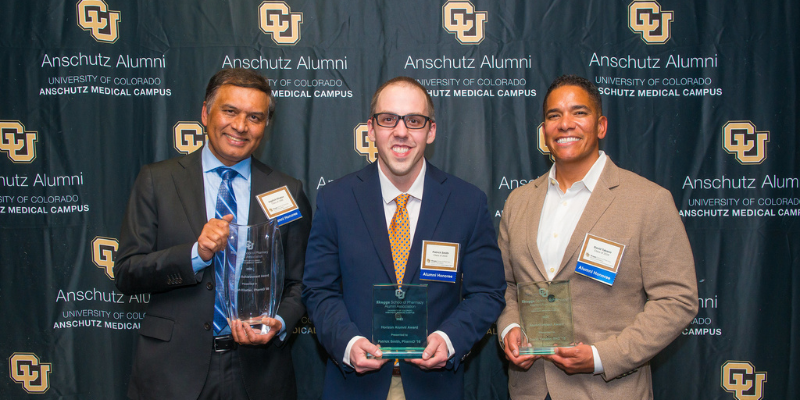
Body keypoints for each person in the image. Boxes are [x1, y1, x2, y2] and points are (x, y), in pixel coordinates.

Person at [302, 76, 506, 400]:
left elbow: (488, 292)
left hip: (434, 387)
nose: (401, 132)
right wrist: (349, 344)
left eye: (414, 120)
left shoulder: (467, 202)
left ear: (431, 130)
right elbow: (318, 289)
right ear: (371, 129)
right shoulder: (335, 200)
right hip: (354, 386)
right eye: (388, 119)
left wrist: (449, 339)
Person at [496, 75, 698, 400]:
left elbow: (677, 300)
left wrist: (603, 357)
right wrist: (509, 328)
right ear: (544, 130)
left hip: (609, 390)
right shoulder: (518, 202)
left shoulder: (648, 201)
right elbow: (504, 285)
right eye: (553, 116)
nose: (565, 124)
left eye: (579, 113)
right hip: (530, 389)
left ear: (601, 126)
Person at [114, 68, 311, 400]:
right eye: (230, 111)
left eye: (255, 117)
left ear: (265, 126)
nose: (240, 126)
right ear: (206, 113)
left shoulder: (287, 190)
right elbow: (127, 272)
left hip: (259, 373)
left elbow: (301, 282)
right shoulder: (157, 181)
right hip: (173, 371)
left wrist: (279, 320)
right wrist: (195, 254)